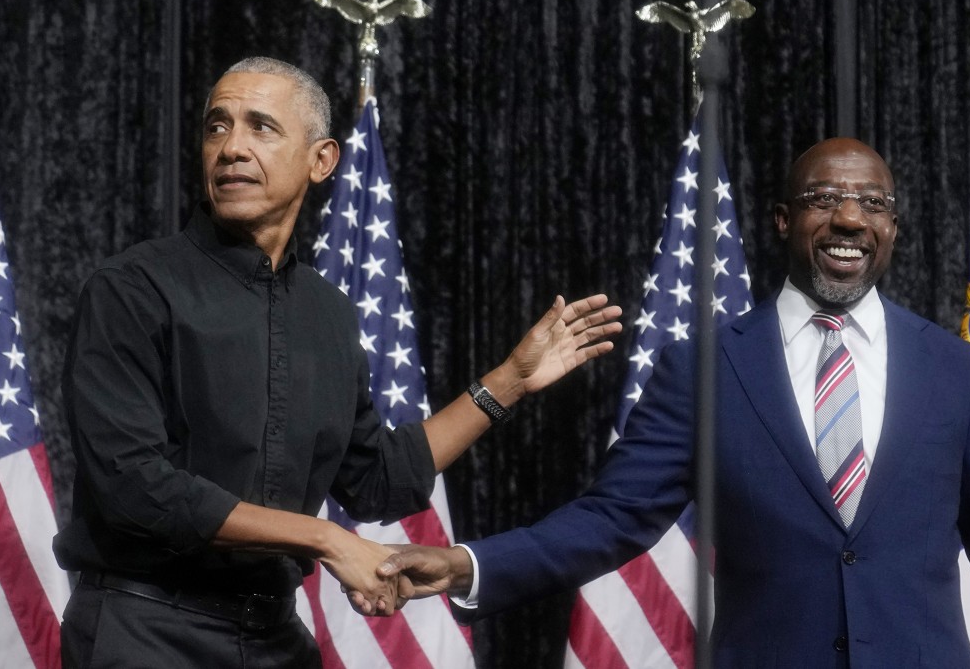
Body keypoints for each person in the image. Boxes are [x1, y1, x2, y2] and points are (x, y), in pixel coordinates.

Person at [376, 138, 970, 667]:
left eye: (873, 203)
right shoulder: (704, 369)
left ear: (893, 227)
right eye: (822, 199)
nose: (848, 218)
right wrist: (473, 563)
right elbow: (612, 519)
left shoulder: (957, 370)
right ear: (781, 219)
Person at [52, 56, 622, 668]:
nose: (232, 148)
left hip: (275, 639)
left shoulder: (329, 313)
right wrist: (324, 539)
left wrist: (509, 382)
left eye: (261, 127)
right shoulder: (131, 289)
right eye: (217, 127)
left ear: (321, 160)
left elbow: (378, 478)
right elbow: (134, 488)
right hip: (145, 633)